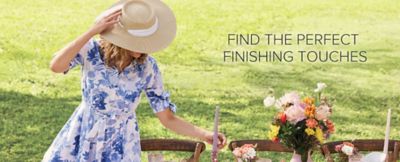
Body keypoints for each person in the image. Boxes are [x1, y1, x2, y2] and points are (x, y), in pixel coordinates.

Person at [42, 0, 226, 161]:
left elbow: (167, 119)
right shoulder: (90, 51)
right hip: (84, 132)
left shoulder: (148, 68)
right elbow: (56, 66)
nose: (144, 47)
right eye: (137, 41)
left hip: (121, 143)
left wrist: (205, 135)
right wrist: (92, 31)